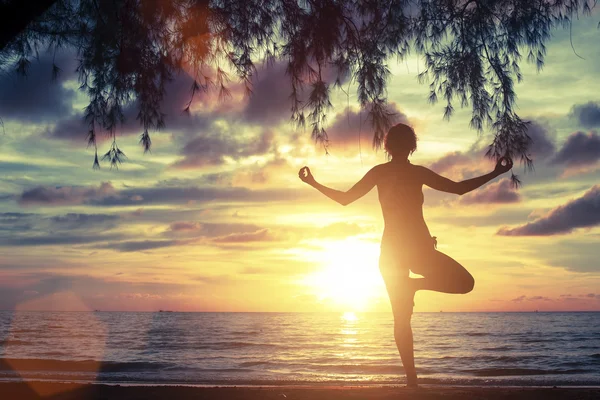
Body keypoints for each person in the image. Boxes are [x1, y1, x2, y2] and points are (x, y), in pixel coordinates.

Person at [298, 123, 513, 388]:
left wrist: (313, 182)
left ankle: (412, 381)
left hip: (393, 252)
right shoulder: (414, 173)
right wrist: (495, 173)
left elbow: (344, 199)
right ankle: (412, 370)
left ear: (388, 146)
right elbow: (458, 189)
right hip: (414, 249)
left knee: (402, 319)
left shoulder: (382, 172)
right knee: (463, 284)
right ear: (411, 146)